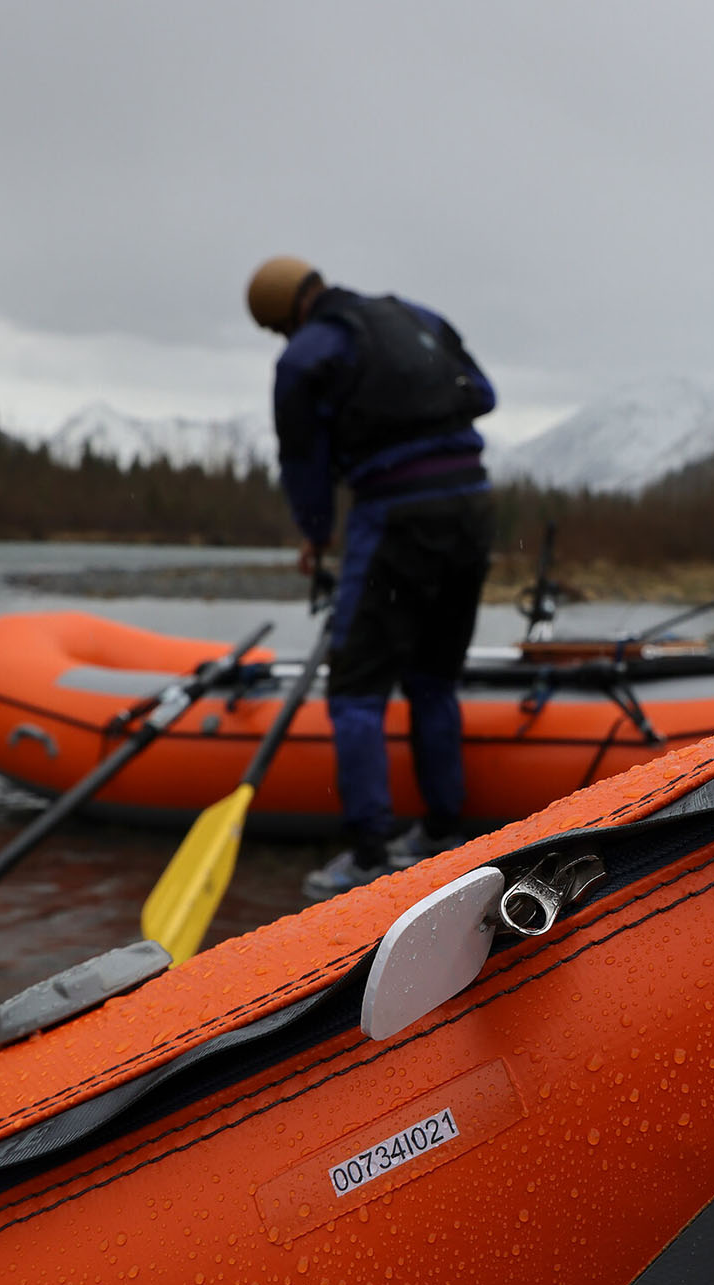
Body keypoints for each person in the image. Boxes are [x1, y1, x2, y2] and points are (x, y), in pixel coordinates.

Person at [244, 257, 497, 900]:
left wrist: (315, 529)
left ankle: (367, 854)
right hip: (473, 508)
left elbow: (303, 458)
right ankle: (443, 828)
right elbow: (485, 395)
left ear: (284, 317)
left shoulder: (307, 355)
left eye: (276, 330)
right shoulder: (417, 317)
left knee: (355, 691)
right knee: (434, 680)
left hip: (397, 518)